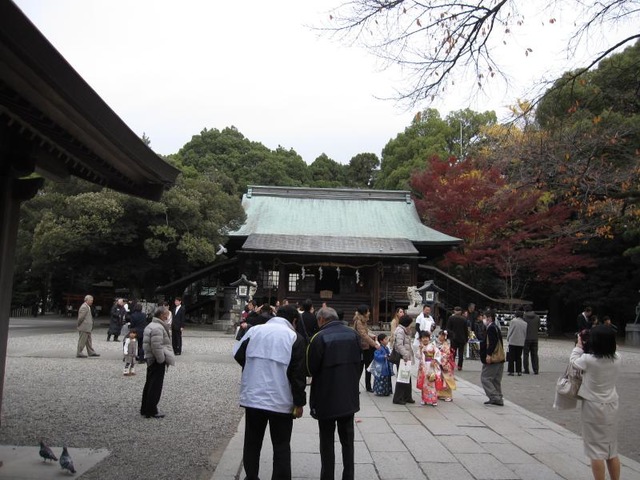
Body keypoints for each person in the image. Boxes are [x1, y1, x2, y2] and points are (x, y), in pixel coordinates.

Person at [233, 304, 306, 480]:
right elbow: (297, 376)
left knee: (252, 441)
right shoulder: (294, 337)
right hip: (280, 399)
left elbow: (238, 354)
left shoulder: (254, 331)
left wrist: (254, 368)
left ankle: (251, 476)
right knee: (281, 444)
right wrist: (299, 403)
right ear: (294, 321)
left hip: (253, 396)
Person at [307, 306, 361, 480]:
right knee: (348, 441)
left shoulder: (319, 337)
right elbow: (359, 364)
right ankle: (349, 475)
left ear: (321, 319)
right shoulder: (353, 334)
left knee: (326, 441)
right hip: (348, 396)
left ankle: (327, 476)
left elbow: (310, 368)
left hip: (326, 396)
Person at [570, 325, 621, 480]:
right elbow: (612, 350)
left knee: (595, 450)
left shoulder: (588, 360)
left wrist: (578, 346)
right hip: (612, 404)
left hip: (593, 406)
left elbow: (573, 362)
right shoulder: (618, 358)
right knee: (611, 449)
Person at [140, 305, 175, 419]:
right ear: (161, 315)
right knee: (155, 386)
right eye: (166, 314)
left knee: (149, 383)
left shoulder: (151, 325)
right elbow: (157, 346)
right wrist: (161, 360)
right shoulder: (158, 328)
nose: (167, 316)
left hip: (150, 358)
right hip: (156, 359)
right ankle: (151, 410)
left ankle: (145, 408)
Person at [480, 310, 504, 406]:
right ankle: (498, 397)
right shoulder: (496, 327)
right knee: (495, 380)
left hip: (493, 358)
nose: (483, 319)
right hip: (499, 357)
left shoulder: (491, 328)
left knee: (485, 378)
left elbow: (492, 343)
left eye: (484, 317)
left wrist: (488, 354)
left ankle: (494, 397)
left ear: (489, 318)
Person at [392, 314, 416, 406]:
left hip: (406, 356)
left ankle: (407, 396)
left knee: (407, 377)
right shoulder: (400, 331)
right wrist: (405, 355)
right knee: (402, 377)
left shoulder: (405, 330)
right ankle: (398, 398)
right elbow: (399, 345)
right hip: (402, 356)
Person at [353, 304, 377, 393]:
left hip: (367, 347)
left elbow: (366, 331)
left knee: (368, 367)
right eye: (368, 311)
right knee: (360, 368)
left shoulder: (364, 320)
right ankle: (355, 387)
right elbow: (363, 335)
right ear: (364, 312)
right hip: (361, 348)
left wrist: (372, 334)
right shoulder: (359, 321)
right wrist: (374, 344)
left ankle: (368, 386)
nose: (369, 313)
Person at [417, 331, 440, 406]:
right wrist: (420, 350)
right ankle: (424, 399)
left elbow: (438, 354)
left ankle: (433, 399)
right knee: (424, 383)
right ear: (421, 339)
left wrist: (434, 360)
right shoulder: (421, 347)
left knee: (431, 382)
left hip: (431, 365)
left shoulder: (433, 346)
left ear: (429, 338)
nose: (425, 339)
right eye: (423, 338)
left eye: (426, 337)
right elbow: (418, 356)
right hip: (423, 366)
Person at [434, 330, 455, 402]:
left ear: (445, 337)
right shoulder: (440, 344)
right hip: (440, 363)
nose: (439, 337)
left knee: (447, 380)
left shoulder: (446, 345)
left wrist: (439, 357)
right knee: (440, 379)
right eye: (439, 335)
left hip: (445, 364)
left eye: (441, 335)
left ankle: (448, 395)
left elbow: (446, 355)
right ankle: (440, 394)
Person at [445, 306, 469, 371]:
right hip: (462, 338)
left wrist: (448, 336)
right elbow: (466, 330)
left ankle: (452, 365)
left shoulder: (451, 318)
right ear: (461, 312)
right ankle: (459, 366)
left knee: (453, 352)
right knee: (461, 353)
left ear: (454, 311)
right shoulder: (464, 319)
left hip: (454, 338)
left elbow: (448, 328)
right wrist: (466, 338)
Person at [506, 310, 527, 376]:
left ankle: (511, 371)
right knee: (518, 357)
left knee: (511, 357)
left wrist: (508, 338)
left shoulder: (513, 321)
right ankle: (519, 371)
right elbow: (525, 333)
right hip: (521, 342)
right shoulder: (525, 323)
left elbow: (510, 330)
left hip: (513, 341)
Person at [522, 305, 540, 374]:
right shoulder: (537, 317)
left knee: (525, 354)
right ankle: (536, 369)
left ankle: (526, 369)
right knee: (535, 354)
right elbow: (538, 326)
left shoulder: (524, 317)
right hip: (535, 337)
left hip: (526, 338)